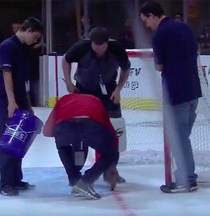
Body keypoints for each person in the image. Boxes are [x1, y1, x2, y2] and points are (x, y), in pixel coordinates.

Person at [140, 1, 202, 193]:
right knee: (184, 137)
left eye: (146, 21)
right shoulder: (184, 26)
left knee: (179, 138)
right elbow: (195, 51)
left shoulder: (160, 35)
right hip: (193, 90)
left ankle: (186, 179)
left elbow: (159, 67)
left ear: (152, 15)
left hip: (176, 92)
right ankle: (187, 174)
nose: (146, 25)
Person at [62, 26, 130, 182]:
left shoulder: (116, 48)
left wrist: (118, 89)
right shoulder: (81, 47)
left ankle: (110, 168)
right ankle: (77, 169)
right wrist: (68, 82)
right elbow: (66, 60)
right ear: (91, 43)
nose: (99, 50)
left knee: (113, 131)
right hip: (84, 91)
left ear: (108, 43)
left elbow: (126, 68)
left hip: (109, 92)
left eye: (103, 47)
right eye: (96, 47)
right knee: (80, 130)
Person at [0, 17, 43, 196]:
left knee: (18, 139)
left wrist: (26, 103)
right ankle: (5, 183)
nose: (35, 41)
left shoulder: (21, 49)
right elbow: (7, 75)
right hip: (4, 101)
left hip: (19, 100)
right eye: (35, 37)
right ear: (28, 30)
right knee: (7, 141)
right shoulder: (7, 47)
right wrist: (11, 101)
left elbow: (22, 81)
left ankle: (15, 179)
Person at [43, 93, 119, 200]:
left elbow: (47, 132)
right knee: (110, 154)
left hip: (64, 126)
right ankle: (85, 182)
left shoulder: (63, 100)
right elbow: (110, 132)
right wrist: (111, 164)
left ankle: (74, 179)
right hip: (89, 124)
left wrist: (70, 136)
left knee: (62, 145)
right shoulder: (95, 99)